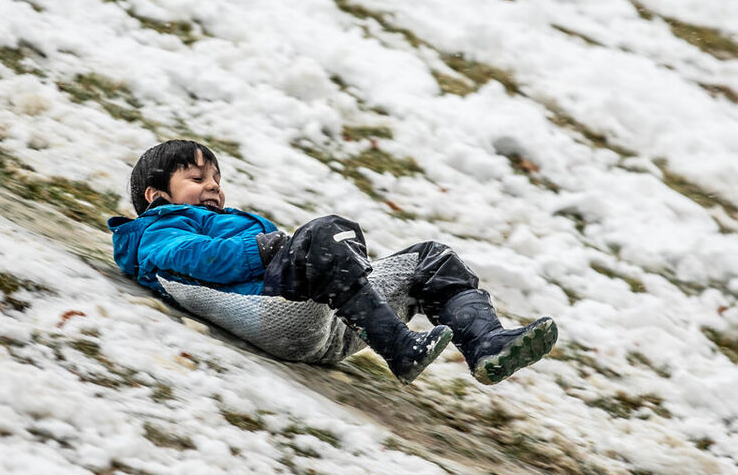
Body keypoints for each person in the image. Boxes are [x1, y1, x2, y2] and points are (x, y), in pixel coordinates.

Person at [107, 139, 557, 384]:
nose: (212, 186)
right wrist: (265, 249)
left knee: (431, 258)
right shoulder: (156, 228)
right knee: (327, 232)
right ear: (156, 194)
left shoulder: (228, 219)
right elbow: (192, 258)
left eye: (216, 178)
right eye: (196, 178)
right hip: (275, 312)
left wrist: (285, 248)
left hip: (332, 324)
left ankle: (486, 344)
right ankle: (399, 348)